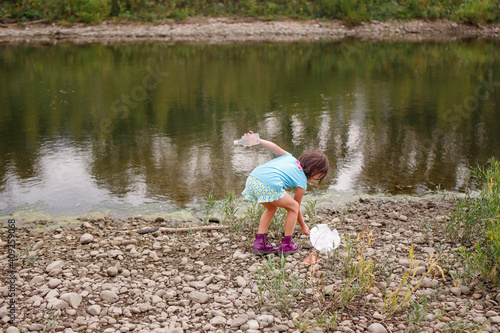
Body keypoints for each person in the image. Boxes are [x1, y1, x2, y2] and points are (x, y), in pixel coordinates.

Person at [241, 131, 329, 256]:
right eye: (318, 177)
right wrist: (303, 226)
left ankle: (260, 243)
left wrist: (258, 141)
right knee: (293, 207)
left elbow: (274, 147)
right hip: (268, 184)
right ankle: (286, 244)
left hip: (253, 179)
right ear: (315, 172)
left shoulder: (289, 158)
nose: (316, 180)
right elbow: (296, 208)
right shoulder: (302, 183)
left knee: (271, 207)